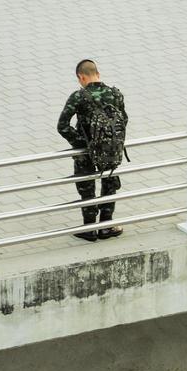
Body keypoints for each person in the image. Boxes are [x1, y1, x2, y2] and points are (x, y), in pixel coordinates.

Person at [56, 60, 129, 241]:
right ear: (98, 73)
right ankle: (106, 225)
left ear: (81, 77)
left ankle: (89, 228)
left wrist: (82, 144)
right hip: (110, 149)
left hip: (86, 153)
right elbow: (124, 120)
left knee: (86, 187)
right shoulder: (115, 94)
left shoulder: (78, 97)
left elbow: (62, 126)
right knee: (109, 183)